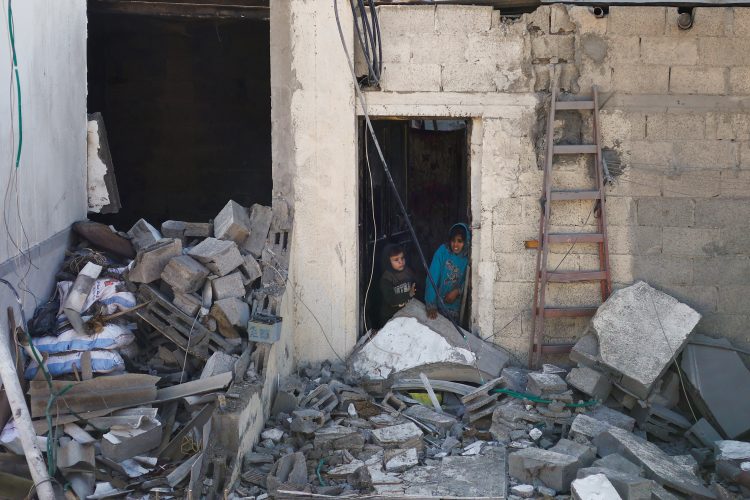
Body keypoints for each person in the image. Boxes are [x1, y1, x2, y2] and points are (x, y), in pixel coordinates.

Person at [425, 223, 470, 322]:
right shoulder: (443, 252)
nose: (455, 245)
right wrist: (431, 303)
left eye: (460, 241)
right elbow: (432, 276)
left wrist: (457, 291)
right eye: (453, 241)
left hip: (454, 307)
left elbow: (469, 281)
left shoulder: (469, 258)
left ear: (466, 242)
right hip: (437, 304)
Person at [379, 244, 417, 326]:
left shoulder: (408, 272)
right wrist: (408, 294)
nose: (401, 262)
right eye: (396, 260)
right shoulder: (386, 278)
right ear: (388, 261)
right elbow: (390, 299)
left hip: (406, 314)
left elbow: (416, 287)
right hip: (390, 317)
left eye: (402, 258)